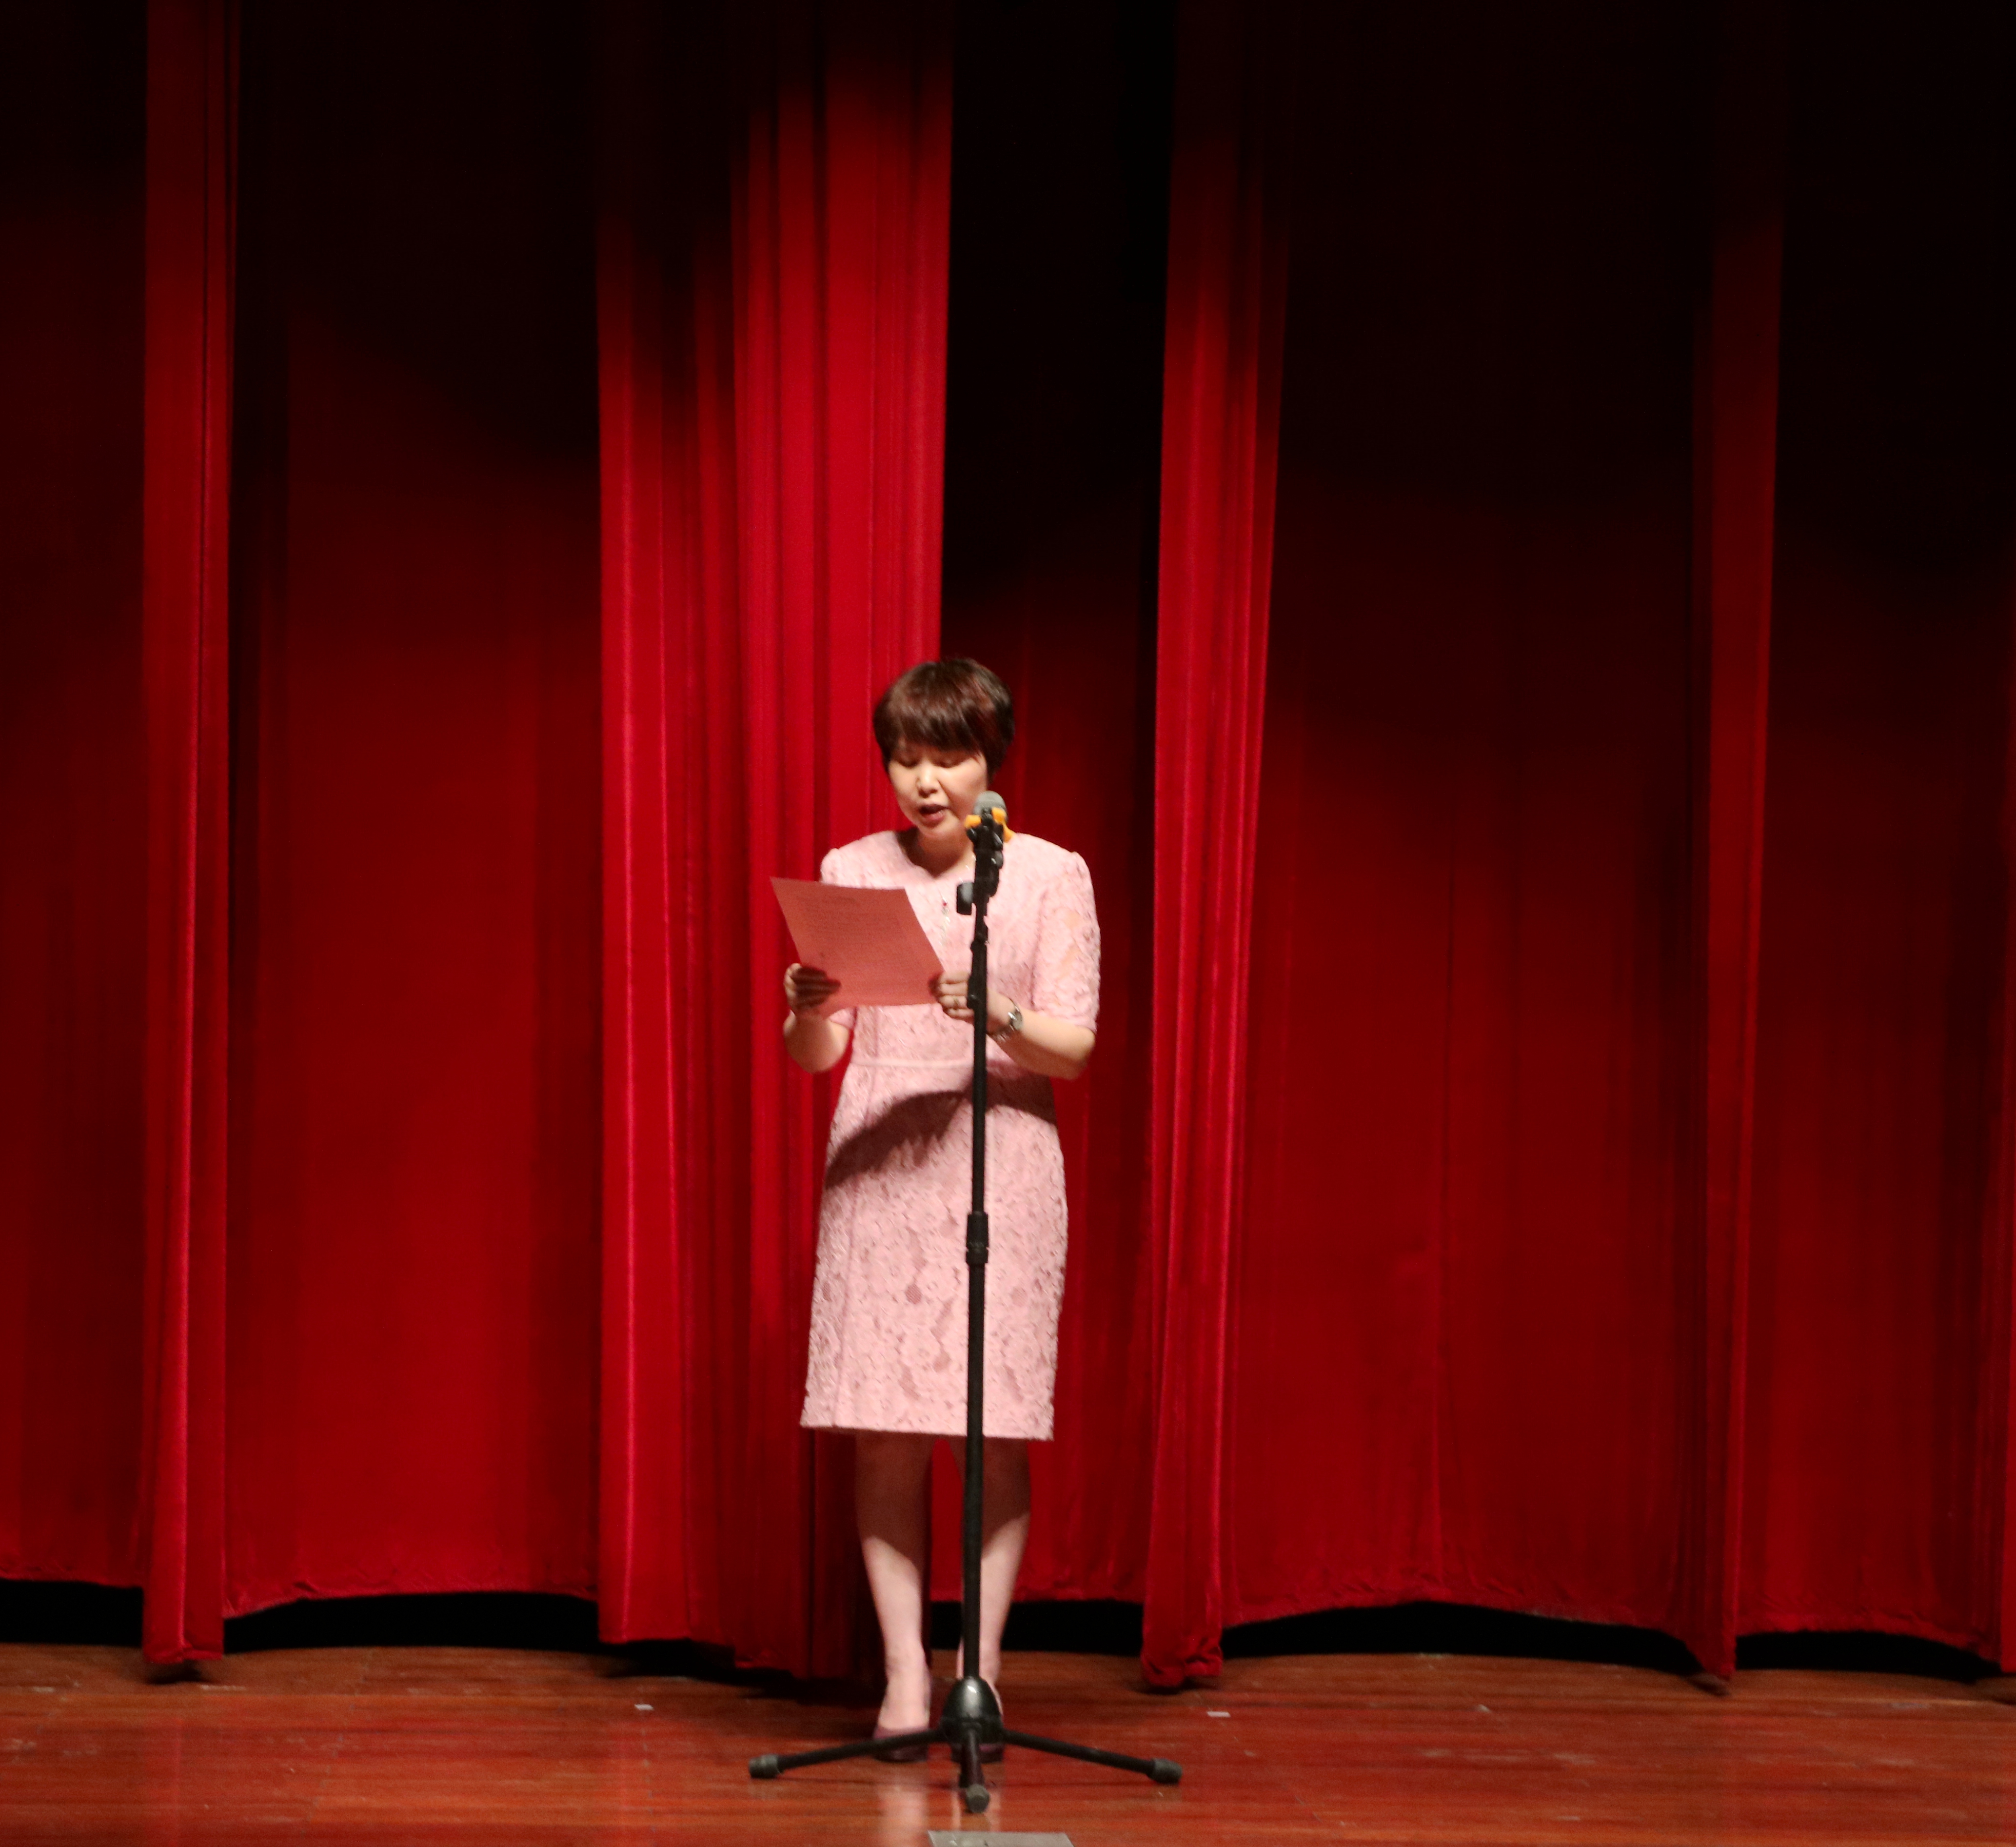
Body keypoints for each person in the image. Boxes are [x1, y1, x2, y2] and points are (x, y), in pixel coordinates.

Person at [782, 657, 1100, 1752]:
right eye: (906, 761)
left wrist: (998, 1011)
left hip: (999, 1163)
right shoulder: (850, 870)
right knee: (884, 1432)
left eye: (949, 759)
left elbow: (1073, 1049)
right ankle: (905, 1678)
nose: (925, 783)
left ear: (991, 762)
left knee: (992, 1429)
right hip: (880, 1158)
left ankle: (983, 1672)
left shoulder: (1048, 875)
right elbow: (819, 1054)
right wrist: (806, 1007)